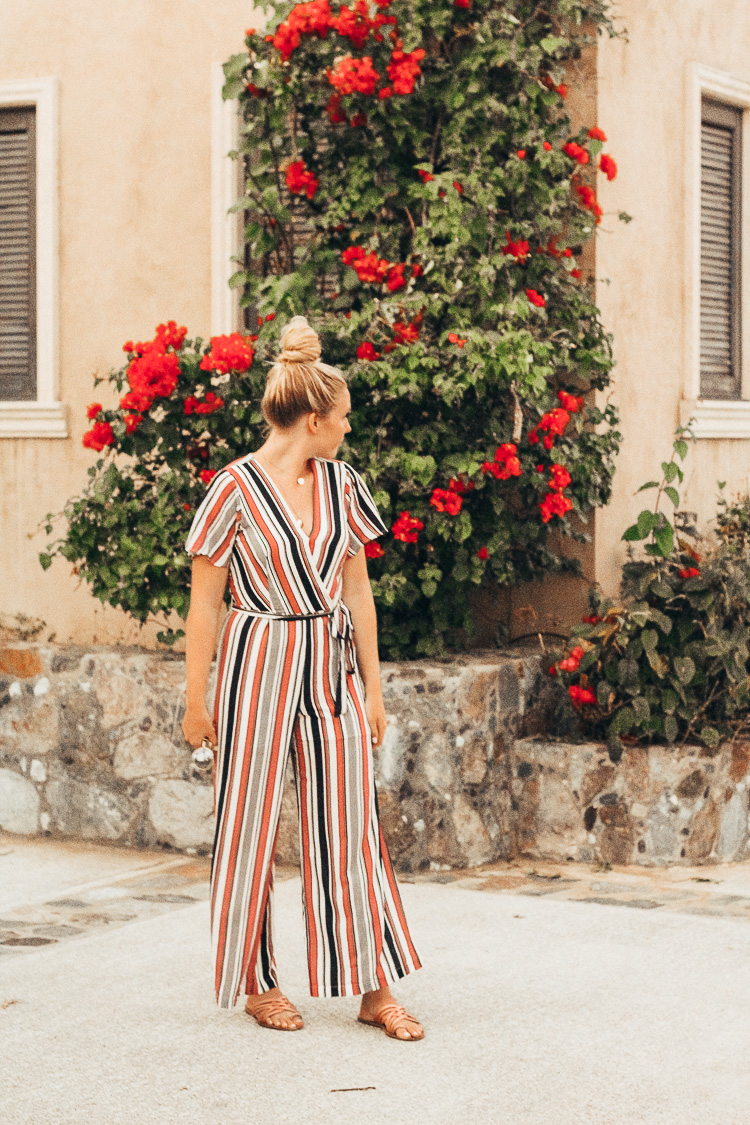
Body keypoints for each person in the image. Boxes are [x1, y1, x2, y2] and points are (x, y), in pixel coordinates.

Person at [181, 315, 423, 1041]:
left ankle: (375, 987)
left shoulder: (344, 485)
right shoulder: (231, 489)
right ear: (314, 418)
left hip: (331, 664)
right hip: (255, 660)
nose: (348, 430)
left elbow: (359, 593)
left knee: (350, 826)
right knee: (249, 823)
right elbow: (204, 602)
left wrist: (373, 689)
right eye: (343, 418)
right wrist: (196, 701)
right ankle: (257, 982)